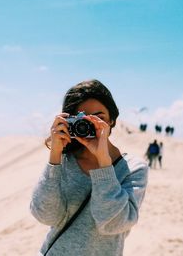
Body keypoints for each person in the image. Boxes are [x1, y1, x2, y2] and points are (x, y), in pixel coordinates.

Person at [30, 79, 149, 256]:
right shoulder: (64, 161)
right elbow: (45, 215)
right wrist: (55, 156)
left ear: (113, 121)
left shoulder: (133, 169)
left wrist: (104, 164)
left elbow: (113, 224)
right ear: (70, 121)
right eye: (83, 119)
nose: (92, 125)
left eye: (99, 118)